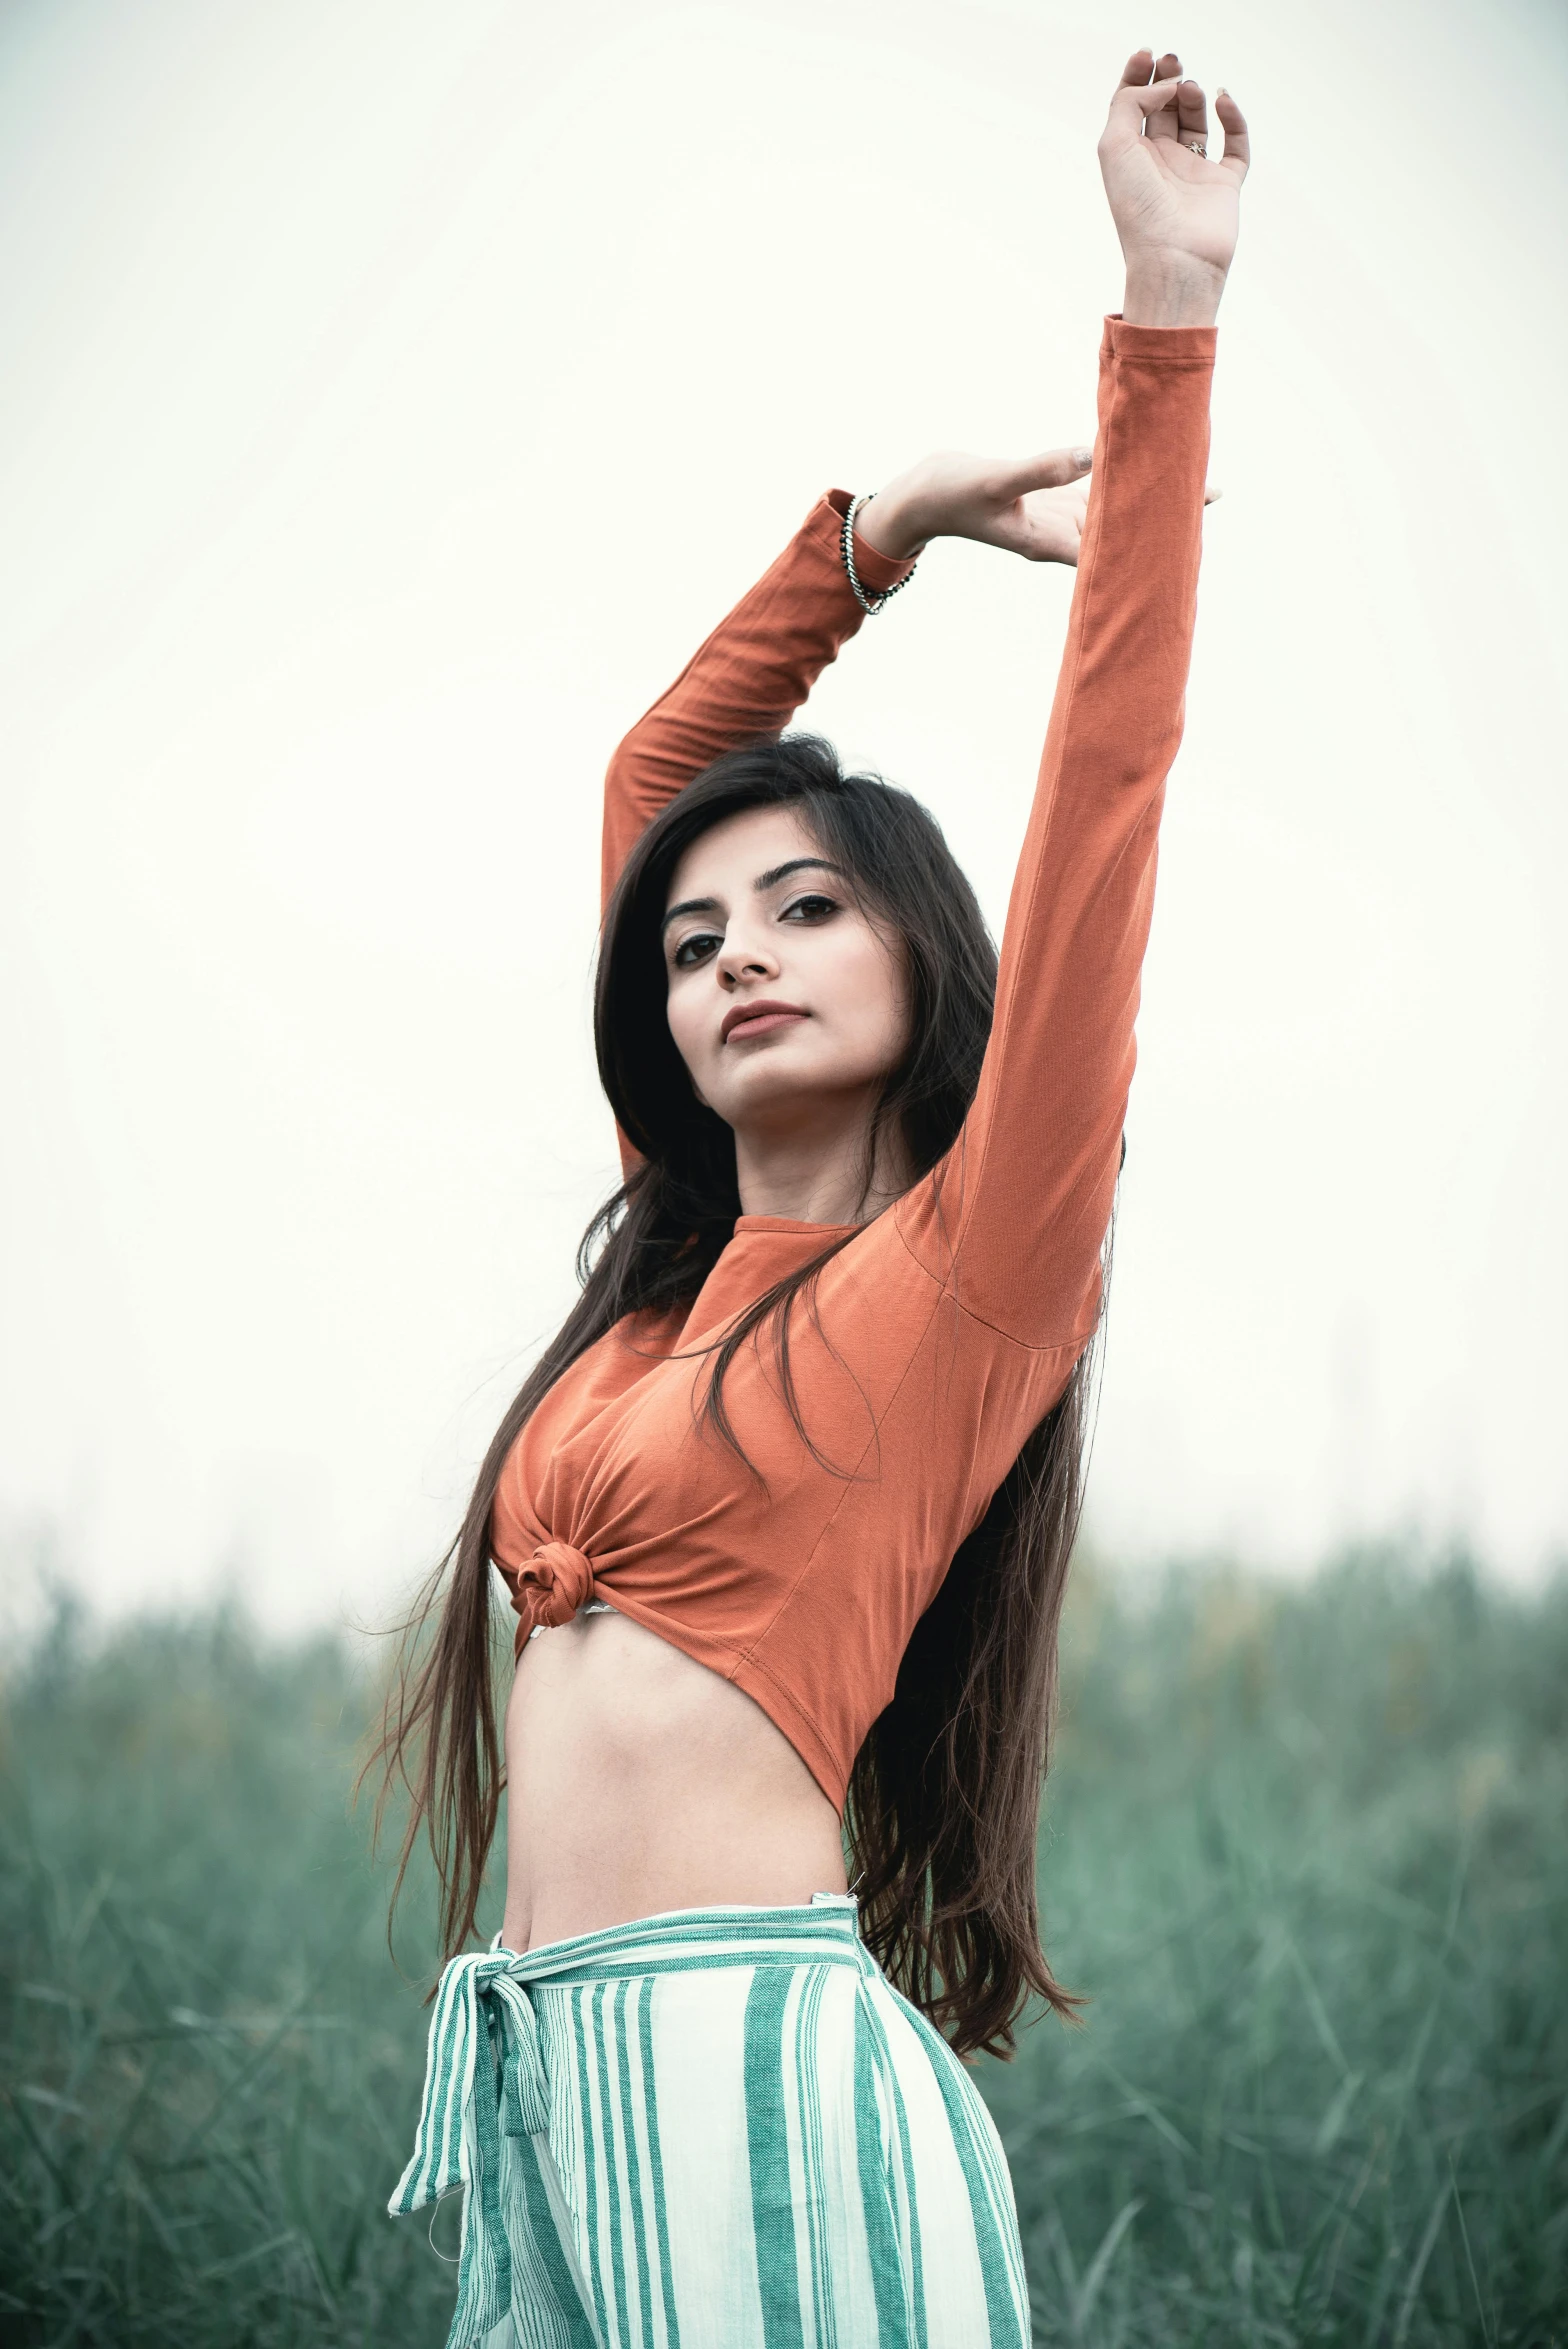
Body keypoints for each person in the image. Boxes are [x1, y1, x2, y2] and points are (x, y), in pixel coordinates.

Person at [376, 46, 1249, 2349]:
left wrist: (1163, 315)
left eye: (804, 911)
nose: (732, 950)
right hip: (544, 2087)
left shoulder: (967, 1283)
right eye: (692, 943)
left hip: (755, 2083)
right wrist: (883, 524)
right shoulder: (660, 1293)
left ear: (921, 958)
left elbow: (1107, 786)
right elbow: (658, 783)